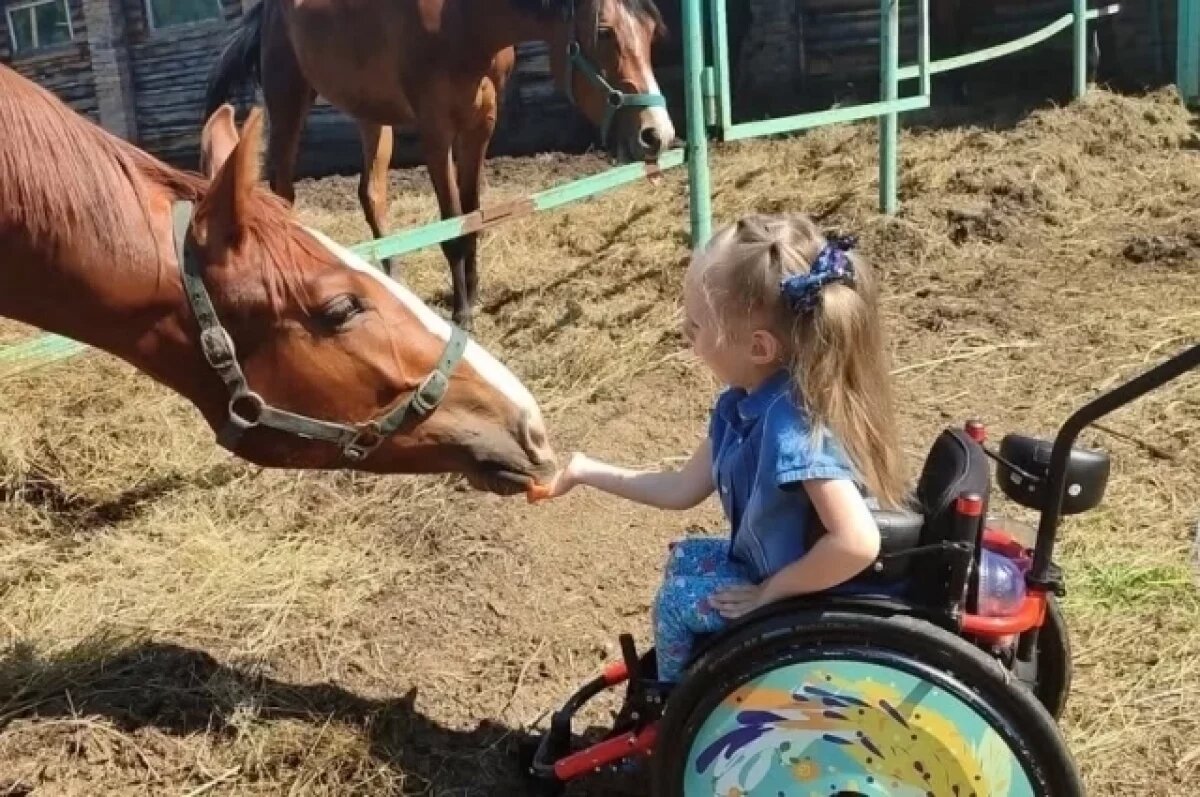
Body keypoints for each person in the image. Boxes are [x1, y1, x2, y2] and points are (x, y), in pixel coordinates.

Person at [537, 212, 907, 683]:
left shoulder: (792, 430)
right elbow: (681, 489)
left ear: (758, 347)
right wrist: (585, 471)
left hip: (801, 596)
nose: (686, 335)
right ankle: (706, 679)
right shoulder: (745, 406)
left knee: (676, 605)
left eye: (695, 326)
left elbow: (857, 543)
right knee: (687, 557)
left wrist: (770, 592)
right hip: (774, 573)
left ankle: (678, 711)